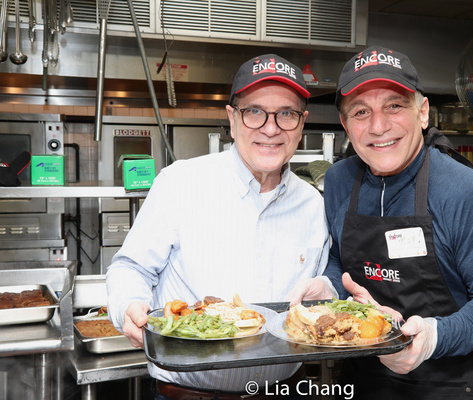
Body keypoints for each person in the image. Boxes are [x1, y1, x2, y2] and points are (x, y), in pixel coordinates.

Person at [289, 46, 473, 399]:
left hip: (448, 384)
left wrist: (434, 337)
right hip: (360, 382)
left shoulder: (465, 190)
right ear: (346, 125)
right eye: (361, 112)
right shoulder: (337, 181)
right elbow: (343, 258)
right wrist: (330, 287)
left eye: (394, 106)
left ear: (422, 112)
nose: (379, 126)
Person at [106, 53, 331, 398]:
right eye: (254, 111)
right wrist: (129, 305)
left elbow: (316, 299)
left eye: (286, 114)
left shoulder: (314, 205)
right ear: (232, 118)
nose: (271, 129)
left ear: (302, 123)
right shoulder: (181, 183)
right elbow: (130, 267)